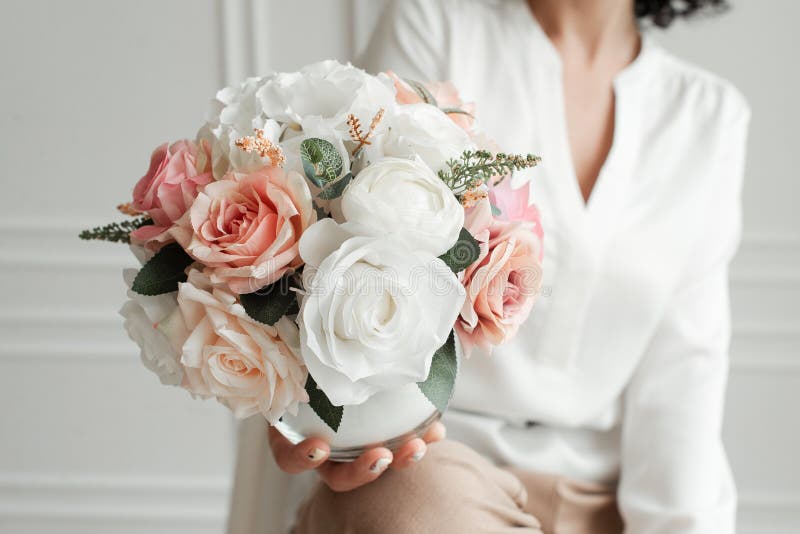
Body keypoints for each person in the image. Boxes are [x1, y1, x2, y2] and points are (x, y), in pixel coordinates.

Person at [227, 0, 750, 532]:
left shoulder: (707, 115)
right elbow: (336, 258)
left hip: (603, 500)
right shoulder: (437, 27)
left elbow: (685, 369)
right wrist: (332, 430)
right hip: (428, 472)